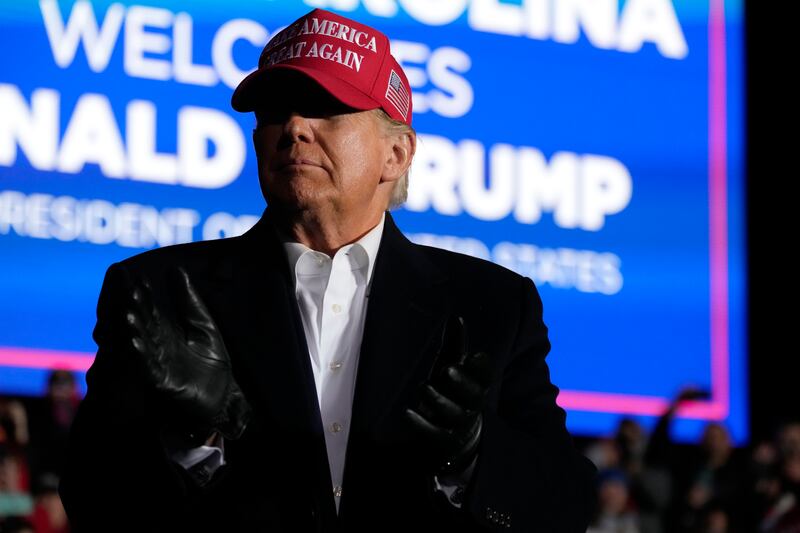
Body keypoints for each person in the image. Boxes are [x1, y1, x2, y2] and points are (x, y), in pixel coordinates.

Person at [60, 8, 596, 532]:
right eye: (273, 111)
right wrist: (192, 442)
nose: (293, 127)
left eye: (325, 107)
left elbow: (565, 506)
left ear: (397, 153)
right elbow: (91, 498)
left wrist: (472, 457)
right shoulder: (160, 292)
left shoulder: (493, 304)